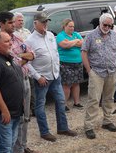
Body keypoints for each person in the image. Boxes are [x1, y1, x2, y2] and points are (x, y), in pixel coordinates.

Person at [25, 12, 77, 142]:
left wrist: (57, 68)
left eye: (46, 21)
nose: (45, 24)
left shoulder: (50, 35)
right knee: (40, 105)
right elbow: (27, 63)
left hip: (55, 75)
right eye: (43, 22)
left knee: (61, 101)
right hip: (42, 78)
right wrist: (37, 77)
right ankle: (44, 131)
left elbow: (55, 53)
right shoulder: (30, 40)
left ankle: (63, 127)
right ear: (35, 23)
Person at [0, 11, 38, 153]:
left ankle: (22, 145)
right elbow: (11, 64)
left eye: (14, 23)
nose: (13, 25)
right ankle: (16, 151)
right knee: (18, 117)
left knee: (26, 116)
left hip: (26, 78)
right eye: (10, 23)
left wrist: (20, 57)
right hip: (14, 83)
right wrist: (22, 58)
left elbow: (32, 54)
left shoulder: (18, 39)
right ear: (1, 24)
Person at [81, 13, 116, 139]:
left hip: (112, 71)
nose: (107, 27)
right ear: (100, 23)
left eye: (110, 25)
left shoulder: (114, 35)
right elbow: (84, 52)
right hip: (97, 73)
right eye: (105, 25)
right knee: (94, 99)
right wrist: (89, 70)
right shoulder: (91, 36)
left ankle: (107, 121)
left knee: (109, 98)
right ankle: (89, 126)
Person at [56, 18, 84, 109]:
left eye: (73, 26)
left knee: (76, 83)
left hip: (78, 62)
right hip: (65, 63)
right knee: (67, 84)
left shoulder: (76, 34)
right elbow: (65, 45)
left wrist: (71, 42)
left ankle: (76, 102)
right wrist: (76, 41)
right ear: (64, 26)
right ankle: (64, 104)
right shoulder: (61, 35)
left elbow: (83, 44)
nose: (72, 28)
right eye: (70, 26)